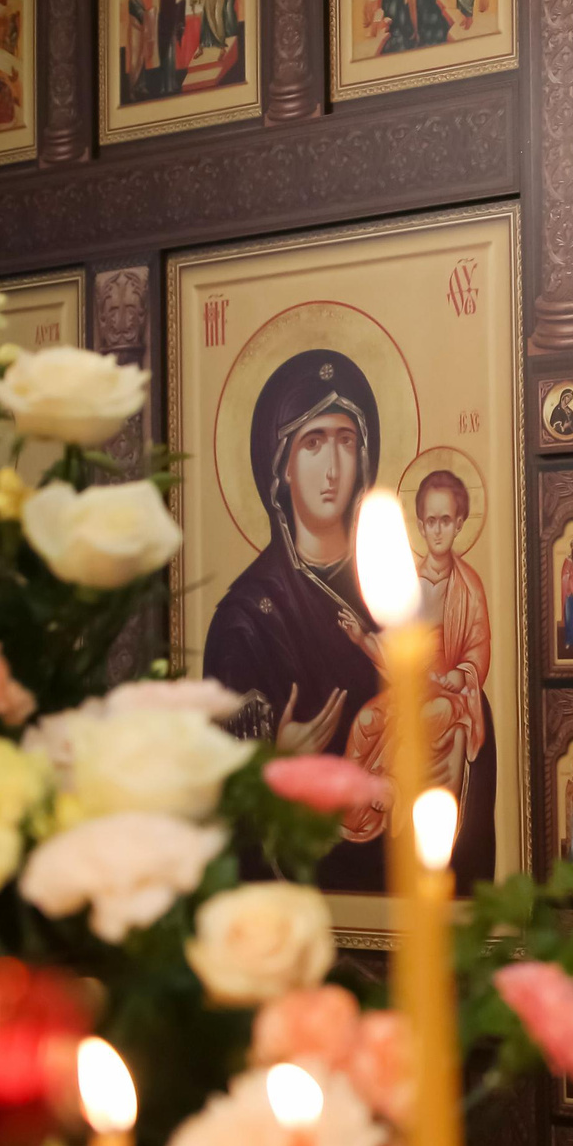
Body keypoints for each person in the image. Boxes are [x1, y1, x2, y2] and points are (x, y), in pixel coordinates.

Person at [202, 349, 390, 893]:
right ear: (281, 464)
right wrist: (276, 763)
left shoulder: (393, 597)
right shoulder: (245, 622)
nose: (333, 468)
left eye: (345, 441)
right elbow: (219, 800)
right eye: (313, 443)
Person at [336, 468, 497, 883]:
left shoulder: (469, 585)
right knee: (367, 721)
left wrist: (461, 676)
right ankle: (355, 809)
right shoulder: (408, 585)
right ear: (420, 524)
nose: (438, 530)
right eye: (430, 521)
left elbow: (478, 648)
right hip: (414, 687)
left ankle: (393, 791)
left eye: (446, 521)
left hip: (454, 698)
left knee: (425, 719)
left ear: (460, 523)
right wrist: (360, 639)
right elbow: (397, 655)